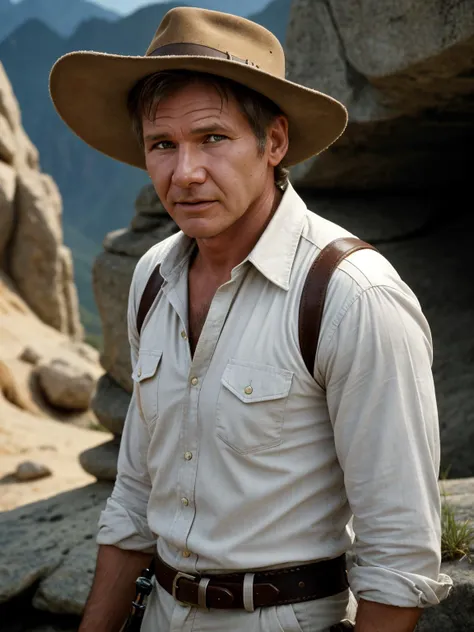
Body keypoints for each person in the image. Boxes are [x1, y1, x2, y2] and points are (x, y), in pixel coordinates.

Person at [50, 7, 452, 632]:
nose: (184, 173)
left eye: (212, 137)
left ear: (274, 142)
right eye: (163, 145)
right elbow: (134, 493)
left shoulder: (351, 297)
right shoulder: (153, 277)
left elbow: (400, 550)